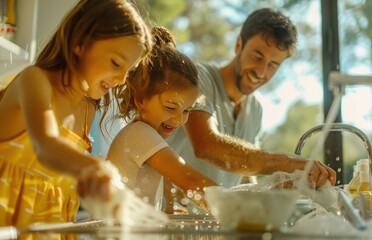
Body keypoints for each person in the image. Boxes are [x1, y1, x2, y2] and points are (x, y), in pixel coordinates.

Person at [0, 0, 152, 228]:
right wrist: (97, 168)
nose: (121, 79)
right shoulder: (34, 80)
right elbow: (46, 146)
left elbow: (63, 182)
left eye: (128, 71)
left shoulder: (87, 109)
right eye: (115, 63)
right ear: (80, 42)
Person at [167, 8, 336, 190]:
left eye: (273, 65)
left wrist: (279, 188)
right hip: (171, 214)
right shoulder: (198, 78)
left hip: (215, 215)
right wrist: (289, 163)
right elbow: (206, 146)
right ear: (239, 44)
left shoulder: (256, 107)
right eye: (257, 56)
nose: (261, 71)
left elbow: (244, 177)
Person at [107, 27, 217, 212]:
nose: (178, 118)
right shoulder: (139, 134)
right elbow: (190, 181)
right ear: (141, 99)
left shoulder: (147, 140)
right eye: (170, 107)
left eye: (186, 110)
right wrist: (239, 209)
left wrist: (169, 211)